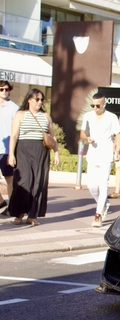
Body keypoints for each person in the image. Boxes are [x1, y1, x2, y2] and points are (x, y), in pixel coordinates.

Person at [7, 88, 60, 226]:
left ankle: (32, 215)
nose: (40, 102)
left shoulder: (46, 116)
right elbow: (13, 136)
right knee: (24, 182)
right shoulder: (20, 114)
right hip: (23, 150)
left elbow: (52, 136)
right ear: (29, 99)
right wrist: (11, 154)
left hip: (41, 152)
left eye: (42, 99)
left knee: (38, 184)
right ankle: (18, 214)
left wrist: (56, 153)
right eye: (37, 99)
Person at [80, 92, 120, 228]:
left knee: (103, 184)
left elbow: (118, 135)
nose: (95, 108)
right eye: (93, 105)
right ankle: (103, 203)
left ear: (104, 104)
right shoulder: (88, 116)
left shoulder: (112, 117)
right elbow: (82, 132)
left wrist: (117, 151)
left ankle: (98, 214)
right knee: (91, 186)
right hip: (93, 153)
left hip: (106, 153)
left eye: (98, 105)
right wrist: (87, 138)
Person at [0, 80, 19, 215]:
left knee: (9, 179)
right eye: (1, 89)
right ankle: (1, 201)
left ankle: (12, 206)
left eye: (6, 89)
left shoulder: (14, 108)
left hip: (6, 149)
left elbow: (16, 130)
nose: (4, 92)